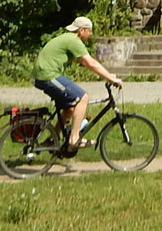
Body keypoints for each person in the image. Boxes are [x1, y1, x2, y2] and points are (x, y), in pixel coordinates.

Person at [33, 17, 123, 155]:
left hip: (43, 75)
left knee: (70, 109)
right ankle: (74, 139)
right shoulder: (74, 40)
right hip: (47, 76)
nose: (91, 34)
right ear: (81, 30)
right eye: (90, 31)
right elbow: (90, 63)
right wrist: (110, 77)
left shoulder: (68, 38)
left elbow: (87, 63)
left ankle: (53, 139)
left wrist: (107, 76)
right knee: (83, 98)